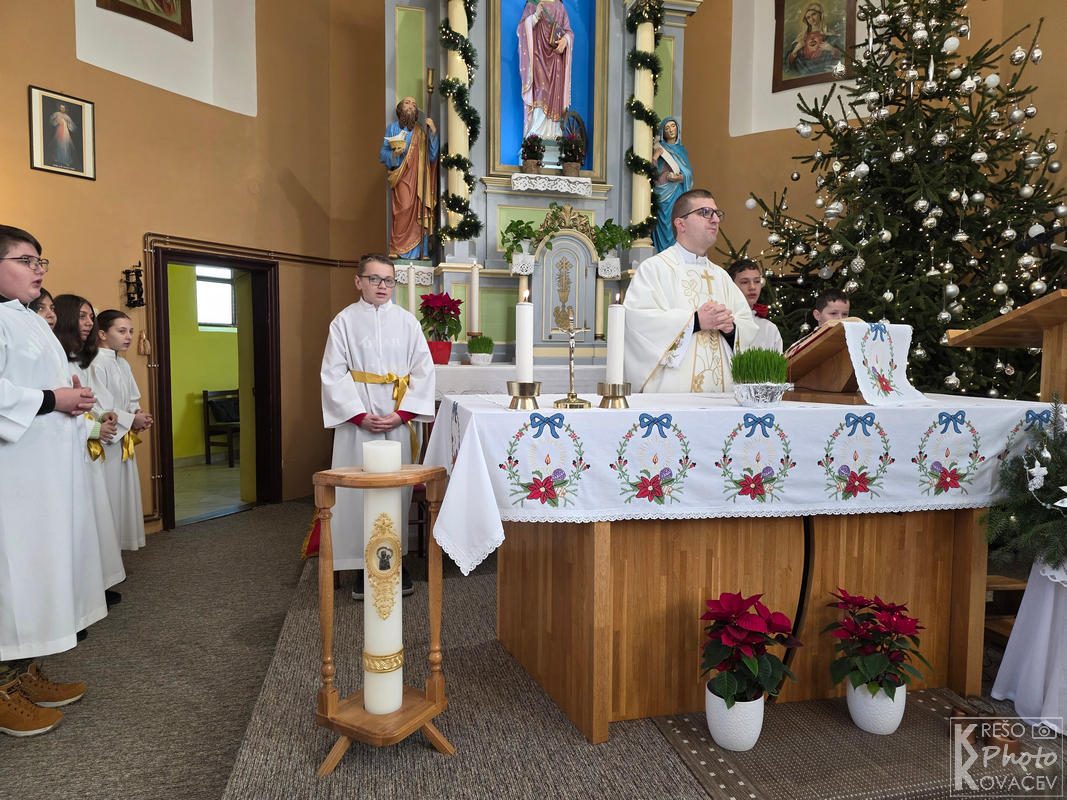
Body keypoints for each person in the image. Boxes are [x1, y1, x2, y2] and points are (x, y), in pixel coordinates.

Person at [0, 224, 106, 737]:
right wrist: (52, 399)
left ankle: (23, 671)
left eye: (41, 260)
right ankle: (3, 691)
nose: (38, 269)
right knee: (13, 574)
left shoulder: (25, 317)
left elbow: (45, 384)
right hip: (13, 474)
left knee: (40, 568)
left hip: (43, 468)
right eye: (25, 260)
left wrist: (72, 396)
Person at [320, 254, 435, 600]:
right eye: (374, 279)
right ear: (359, 282)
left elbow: (424, 371)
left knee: (395, 492)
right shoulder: (343, 322)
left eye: (388, 280)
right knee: (358, 493)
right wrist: (358, 415)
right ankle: (361, 564)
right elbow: (332, 373)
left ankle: (396, 560)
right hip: (359, 425)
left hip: (397, 421)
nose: (382, 286)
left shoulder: (408, 322)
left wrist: (403, 414)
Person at [624, 190, 757, 393]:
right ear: (681, 224)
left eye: (716, 213)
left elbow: (747, 325)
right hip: (673, 395)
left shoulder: (721, 276)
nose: (715, 219)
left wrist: (731, 329)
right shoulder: (655, 269)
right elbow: (638, 323)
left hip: (723, 395)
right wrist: (695, 321)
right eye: (705, 212)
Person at [54, 295, 126, 601]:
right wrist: (94, 428)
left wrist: (103, 417)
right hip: (71, 449)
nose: (88, 323)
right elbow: (59, 407)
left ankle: (97, 584)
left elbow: (89, 400)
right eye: (82, 316)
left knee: (96, 517)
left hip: (88, 446)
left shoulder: (80, 358)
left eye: (91, 317)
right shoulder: (58, 357)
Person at [89, 310, 151, 552]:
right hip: (108, 439)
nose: (128, 337)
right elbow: (100, 406)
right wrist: (131, 419)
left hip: (123, 436)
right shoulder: (96, 362)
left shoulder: (122, 363)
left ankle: (118, 547)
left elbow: (132, 397)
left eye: (131, 331)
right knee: (110, 495)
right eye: (122, 331)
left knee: (124, 494)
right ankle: (107, 550)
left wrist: (137, 413)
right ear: (102, 334)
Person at [380, 96, 438, 259]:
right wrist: (394, 155)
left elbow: (432, 156)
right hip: (401, 178)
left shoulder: (421, 132)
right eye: (407, 103)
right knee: (403, 208)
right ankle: (398, 248)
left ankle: (422, 251)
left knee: (420, 209)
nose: (411, 106)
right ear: (400, 109)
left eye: (414, 104)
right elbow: (382, 154)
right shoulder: (392, 129)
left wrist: (433, 132)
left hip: (419, 179)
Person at [517, 0, 573, 140]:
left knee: (555, 93)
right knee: (540, 90)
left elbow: (569, 32)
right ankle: (536, 133)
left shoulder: (560, 7)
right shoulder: (533, 4)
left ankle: (554, 133)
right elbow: (521, 29)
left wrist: (565, 40)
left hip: (555, 59)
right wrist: (535, 16)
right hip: (538, 56)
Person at [652, 117, 694, 253]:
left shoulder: (682, 150)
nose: (671, 130)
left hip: (677, 192)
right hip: (662, 193)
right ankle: (662, 253)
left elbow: (688, 173)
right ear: (662, 132)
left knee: (677, 221)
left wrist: (679, 177)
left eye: (673, 126)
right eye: (667, 128)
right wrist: (655, 157)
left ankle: (676, 254)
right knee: (663, 223)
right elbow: (651, 172)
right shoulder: (659, 149)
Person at [729, 259, 783, 353]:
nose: (752, 287)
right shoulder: (724, 323)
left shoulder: (769, 328)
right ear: (731, 285)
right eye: (745, 282)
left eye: (757, 281)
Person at [48, 104, 77, 169]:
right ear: (59, 108)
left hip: (65, 133)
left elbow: (71, 125)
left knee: (65, 145)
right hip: (59, 132)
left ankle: (65, 160)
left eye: (63, 108)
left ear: (65, 109)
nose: (62, 109)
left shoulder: (67, 116)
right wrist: (56, 122)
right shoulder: (56, 114)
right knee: (59, 144)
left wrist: (69, 125)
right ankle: (58, 158)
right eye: (61, 108)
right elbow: (51, 120)